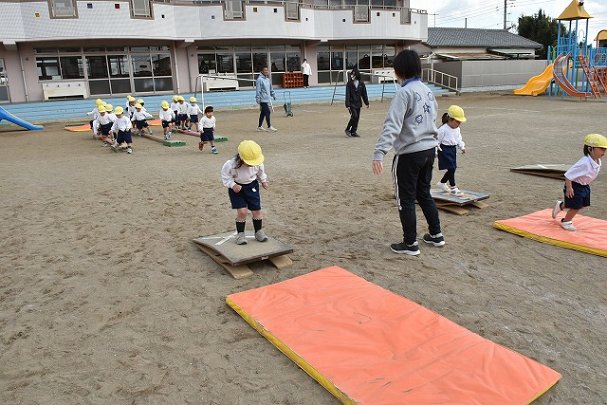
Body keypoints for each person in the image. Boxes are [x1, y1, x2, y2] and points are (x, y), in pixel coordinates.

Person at [371, 49, 444, 256]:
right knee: (424, 193)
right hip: (429, 150)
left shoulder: (404, 93)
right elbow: (432, 119)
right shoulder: (427, 91)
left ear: (399, 70)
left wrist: (379, 152)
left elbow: (392, 125)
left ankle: (410, 243)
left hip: (410, 153)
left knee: (406, 198)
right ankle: (436, 234)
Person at [551, 133, 606, 231]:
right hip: (574, 186)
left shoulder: (597, 160)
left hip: (584, 186)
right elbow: (568, 175)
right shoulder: (584, 163)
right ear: (590, 149)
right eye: (601, 149)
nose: (604, 152)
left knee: (583, 204)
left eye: (605, 149)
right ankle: (566, 221)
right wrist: (569, 188)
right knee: (576, 207)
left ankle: (560, 206)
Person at [221, 140, 269, 245]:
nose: (252, 164)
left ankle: (258, 232)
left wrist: (263, 181)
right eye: (250, 162)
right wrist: (233, 185)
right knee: (242, 212)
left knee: (256, 211)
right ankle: (240, 234)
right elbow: (225, 177)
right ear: (241, 158)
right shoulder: (231, 164)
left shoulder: (258, 163)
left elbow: (261, 173)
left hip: (252, 187)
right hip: (237, 189)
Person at [436, 105, 467, 196]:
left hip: (452, 150)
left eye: (460, 122)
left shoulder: (457, 129)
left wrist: (462, 147)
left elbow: (458, 139)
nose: (459, 124)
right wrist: (435, 151)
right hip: (444, 150)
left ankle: (442, 183)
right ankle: (453, 187)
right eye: (457, 121)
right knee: (451, 168)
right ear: (450, 119)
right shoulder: (442, 129)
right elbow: (436, 141)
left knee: (452, 168)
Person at [344, 68, 369, 137]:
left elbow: (364, 94)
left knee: (357, 118)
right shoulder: (349, 84)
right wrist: (347, 104)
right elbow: (347, 94)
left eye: (353, 75)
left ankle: (353, 131)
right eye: (351, 74)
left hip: (358, 103)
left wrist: (367, 103)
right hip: (351, 103)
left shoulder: (361, 84)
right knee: (354, 116)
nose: (352, 76)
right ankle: (347, 129)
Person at [255, 66, 277, 132]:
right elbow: (258, 90)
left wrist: (273, 95)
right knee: (268, 111)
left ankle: (259, 127)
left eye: (267, 70)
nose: (266, 71)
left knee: (263, 113)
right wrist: (258, 98)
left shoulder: (268, 80)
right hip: (262, 99)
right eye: (265, 70)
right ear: (262, 71)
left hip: (267, 99)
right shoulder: (259, 80)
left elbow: (270, 89)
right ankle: (269, 126)